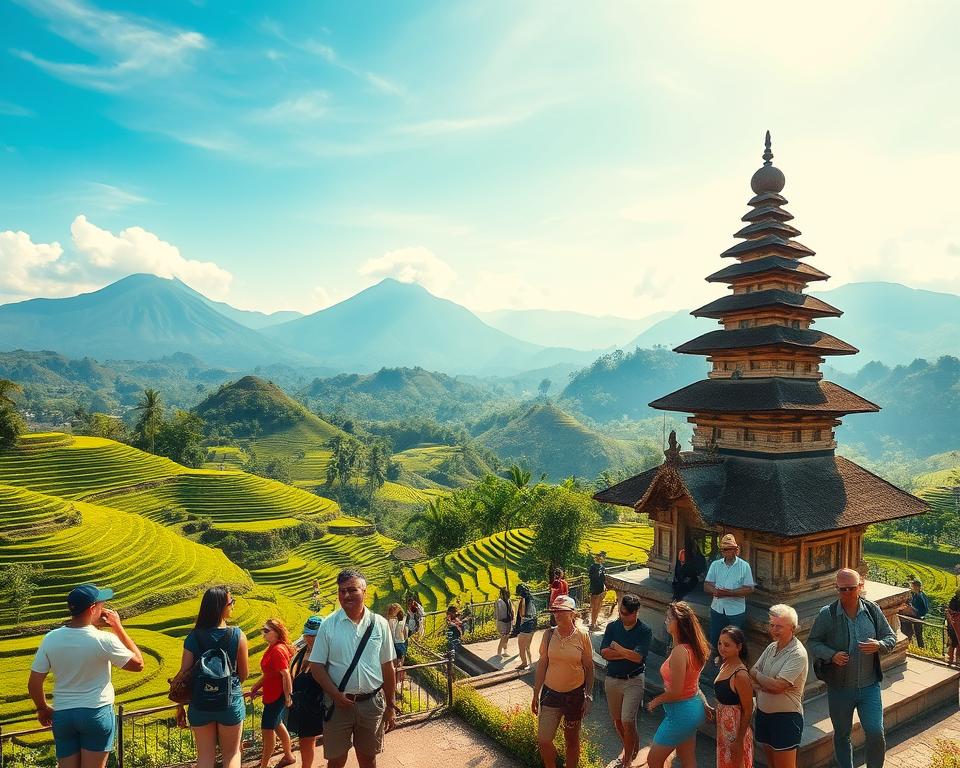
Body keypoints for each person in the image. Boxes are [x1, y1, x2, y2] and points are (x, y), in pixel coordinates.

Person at [28, 584, 145, 768]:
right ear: (92, 609)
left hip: (63, 715)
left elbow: (34, 682)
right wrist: (118, 627)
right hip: (95, 713)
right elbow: (138, 664)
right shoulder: (103, 639)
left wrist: (42, 708)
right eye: (101, 605)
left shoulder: (50, 638)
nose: (104, 609)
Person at [807, 568, 896, 768]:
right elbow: (813, 642)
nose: (847, 593)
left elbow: (890, 637)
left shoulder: (872, 610)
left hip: (869, 686)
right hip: (840, 689)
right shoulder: (827, 614)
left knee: (875, 731)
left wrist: (878, 645)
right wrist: (832, 655)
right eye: (842, 589)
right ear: (836, 588)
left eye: (851, 588)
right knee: (842, 734)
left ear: (860, 586)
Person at [309, 569, 396, 768]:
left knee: (368, 758)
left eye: (352, 590)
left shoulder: (380, 624)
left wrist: (390, 705)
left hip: (371, 703)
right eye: (341, 591)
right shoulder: (329, 625)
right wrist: (336, 696)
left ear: (364, 592)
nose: (346, 595)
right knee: (336, 759)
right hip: (338, 704)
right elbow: (316, 666)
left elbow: (388, 666)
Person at [174, 587, 249, 768]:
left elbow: (183, 675)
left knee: (205, 757)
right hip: (229, 700)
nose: (233, 606)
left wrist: (179, 705)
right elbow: (244, 674)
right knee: (232, 754)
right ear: (220, 608)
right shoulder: (237, 635)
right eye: (231, 602)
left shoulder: (193, 637)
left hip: (200, 701)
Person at [531, 596, 594, 768]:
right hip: (551, 694)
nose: (556, 615)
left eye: (561, 611)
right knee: (544, 739)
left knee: (571, 740)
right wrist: (536, 693)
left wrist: (588, 696)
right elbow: (542, 663)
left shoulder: (582, 635)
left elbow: (589, 666)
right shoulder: (549, 634)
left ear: (572, 613)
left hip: (574, 695)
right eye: (554, 611)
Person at [646, 601, 710, 768]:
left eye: (669, 618)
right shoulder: (691, 648)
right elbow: (693, 683)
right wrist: (704, 702)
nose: (666, 620)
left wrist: (656, 701)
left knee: (653, 760)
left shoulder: (680, 652)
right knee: (687, 758)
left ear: (680, 623)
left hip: (681, 713)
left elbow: (675, 692)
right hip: (692, 709)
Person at [750, 605, 807, 768]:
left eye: (779, 626)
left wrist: (759, 678)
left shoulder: (797, 654)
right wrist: (765, 682)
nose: (774, 629)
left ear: (793, 628)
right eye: (772, 625)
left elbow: (777, 686)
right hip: (763, 715)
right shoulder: (771, 647)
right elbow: (751, 671)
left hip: (785, 719)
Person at [600, 593, 652, 768]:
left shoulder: (644, 631)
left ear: (636, 612)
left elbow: (638, 658)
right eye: (621, 612)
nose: (623, 616)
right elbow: (605, 653)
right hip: (612, 679)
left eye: (627, 614)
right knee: (617, 721)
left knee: (627, 720)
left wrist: (619, 648)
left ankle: (626, 761)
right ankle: (631, 747)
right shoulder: (612, 627)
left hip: (634, 680)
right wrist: (626, 653)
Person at [250, 618, 296, 768]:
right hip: (272, 695)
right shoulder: (273, 647)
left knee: (267, 731)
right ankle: (289, 756)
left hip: (276, 697)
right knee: (278, 725)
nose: (263, 633)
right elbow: (270, 673)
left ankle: (264, 764)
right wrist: (255, 687)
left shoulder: (277, 650)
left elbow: (285, 674)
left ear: (276, 633)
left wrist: (288, 696)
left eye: (266, 631)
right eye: (262, 630)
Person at [706, 626, 753, 768]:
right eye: (720, 643)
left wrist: (739, 742)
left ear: (739, 647)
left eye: (727, 645)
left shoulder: (740, 674)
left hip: (735, 732)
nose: (721, 648)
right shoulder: (724, 664)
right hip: (724, 730)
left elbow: (748, 710)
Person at [704, 534, 755, 658]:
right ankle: (717, 663)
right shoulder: (716, 565)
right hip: (717, 608)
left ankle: (733, 665)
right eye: (723, 549)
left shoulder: (744, 566)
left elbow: (749, 588)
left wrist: (730, 593)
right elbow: (706, 585)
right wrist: (715, 592)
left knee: (734, 642)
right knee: (715, 638)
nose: (724, 552)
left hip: (735, 611)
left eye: (727, 549)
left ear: (735, 550)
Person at [289, 616, 324, 768]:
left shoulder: (328, 652)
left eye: (313, 636)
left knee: (329, 738)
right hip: (303, 704)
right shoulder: (301, 650)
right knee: (305, 739)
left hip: (321, 702)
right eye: (307, 635)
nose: (309, 638)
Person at [898, 579, 931, 648]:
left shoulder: (920, 596)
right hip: (913, 616)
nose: (911, 587)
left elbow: (925, 608)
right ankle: (911, 646)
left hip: (918, 616)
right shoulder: (916, 595)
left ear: (917, 587)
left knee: (918, 634)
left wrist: (913, 610)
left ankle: (920, 648)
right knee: (912, 632)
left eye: (912, 586)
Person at [672, 537, 704, 601]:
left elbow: (700, 572)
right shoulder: (683, 553)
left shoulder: (698, 558)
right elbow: (679, 567)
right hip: (682, 580)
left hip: (693, 581)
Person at [385, 604, 408, 690]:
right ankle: (395, 682)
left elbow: (405, 632)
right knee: (396, 663)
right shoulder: (391, 620)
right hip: (396, 643)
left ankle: (397, 682)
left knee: (398, 663)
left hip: (398, 643)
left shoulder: (399, 620)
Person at [515, 583, 537, 670]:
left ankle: (524, 663)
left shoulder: (523, 599)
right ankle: (530, 662)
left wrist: (519, 608)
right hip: (533, 623)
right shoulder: (531, 599)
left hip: (526, 624)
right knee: (528, 646)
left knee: (521, 647)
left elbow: (522, 614)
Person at [588, 552, 608, 631]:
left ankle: (594, 622)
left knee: (598, 607)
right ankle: (592, 623)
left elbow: (603, 579)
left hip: (601, 589)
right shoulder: (593, 567)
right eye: (599, 558)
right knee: (594, 607)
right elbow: (591, 577)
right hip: (594, 589)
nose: (600, 559)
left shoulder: (602, 567)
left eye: (601, 558)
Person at [495, 587, 514, 657]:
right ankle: (499, 653)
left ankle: (505, 652)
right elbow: (498, 613)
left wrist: (512, 619)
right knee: (503, 637)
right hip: (502, 621)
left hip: (508, 620)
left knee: (506, 637)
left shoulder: (508, 600)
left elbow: (511, 610)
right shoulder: (499, 601)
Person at [946, 587, 960, 665]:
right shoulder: (956, 602)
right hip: (957, 626)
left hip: (952, 626)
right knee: (957, 643)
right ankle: (957, 660)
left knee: (953, 642)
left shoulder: (952, 601)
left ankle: (950, 659)